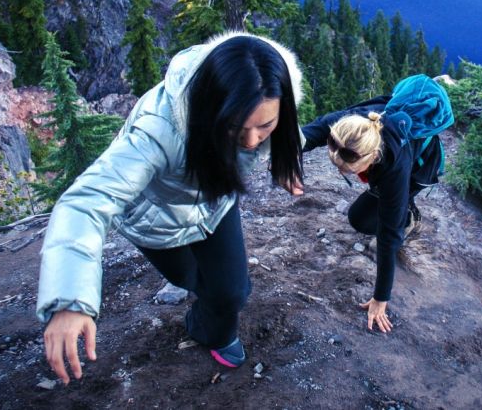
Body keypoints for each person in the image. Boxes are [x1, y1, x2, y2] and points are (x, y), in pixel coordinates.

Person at [37, 32, 305, 384]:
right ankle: (200, 301)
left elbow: (283, 132)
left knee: (232, 291)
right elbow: (88, 200)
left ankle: (210, 331)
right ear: (212, 108)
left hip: (214, 206)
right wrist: (70, 300)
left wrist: (282, 159)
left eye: (265, 126)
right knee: (192, 278)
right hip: (155, 221)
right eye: (235, 128)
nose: (253, 141)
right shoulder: (160, 130)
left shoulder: (267, 99)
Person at [301, 91, 447, 334]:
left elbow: (388, 237)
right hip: (385, 162)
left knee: (368, 219)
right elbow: (312, 132)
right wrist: (279, 155)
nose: (340, 169)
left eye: (347, 167)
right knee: (360, 217)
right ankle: (398, 207)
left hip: (419, 169)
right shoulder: (349, 127)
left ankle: (409, 216)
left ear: (372, 157)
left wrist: (380, 299)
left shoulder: (394, 168)